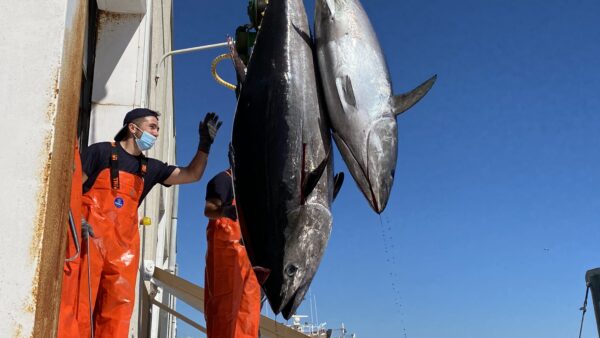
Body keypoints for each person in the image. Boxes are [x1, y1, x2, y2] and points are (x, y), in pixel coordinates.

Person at [69, 108, 221, 337]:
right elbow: (70, 189)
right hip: (88, 240)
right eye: (152, 127)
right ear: (133, 127)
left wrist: (205, 145)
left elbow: (192, 174)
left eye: (158, 128)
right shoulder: (99, 152)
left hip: (123, 251)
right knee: (79, 306)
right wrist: (76, 219)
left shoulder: (150, 169)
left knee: (118, 312)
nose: (157, 133)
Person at [204, 168, 261, 338]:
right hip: (226, 261)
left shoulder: (253, 189)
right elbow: (209, 209)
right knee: (223, 315)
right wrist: (224, 211)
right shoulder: (223, 180)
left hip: (250, 264)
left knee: (248, 316)